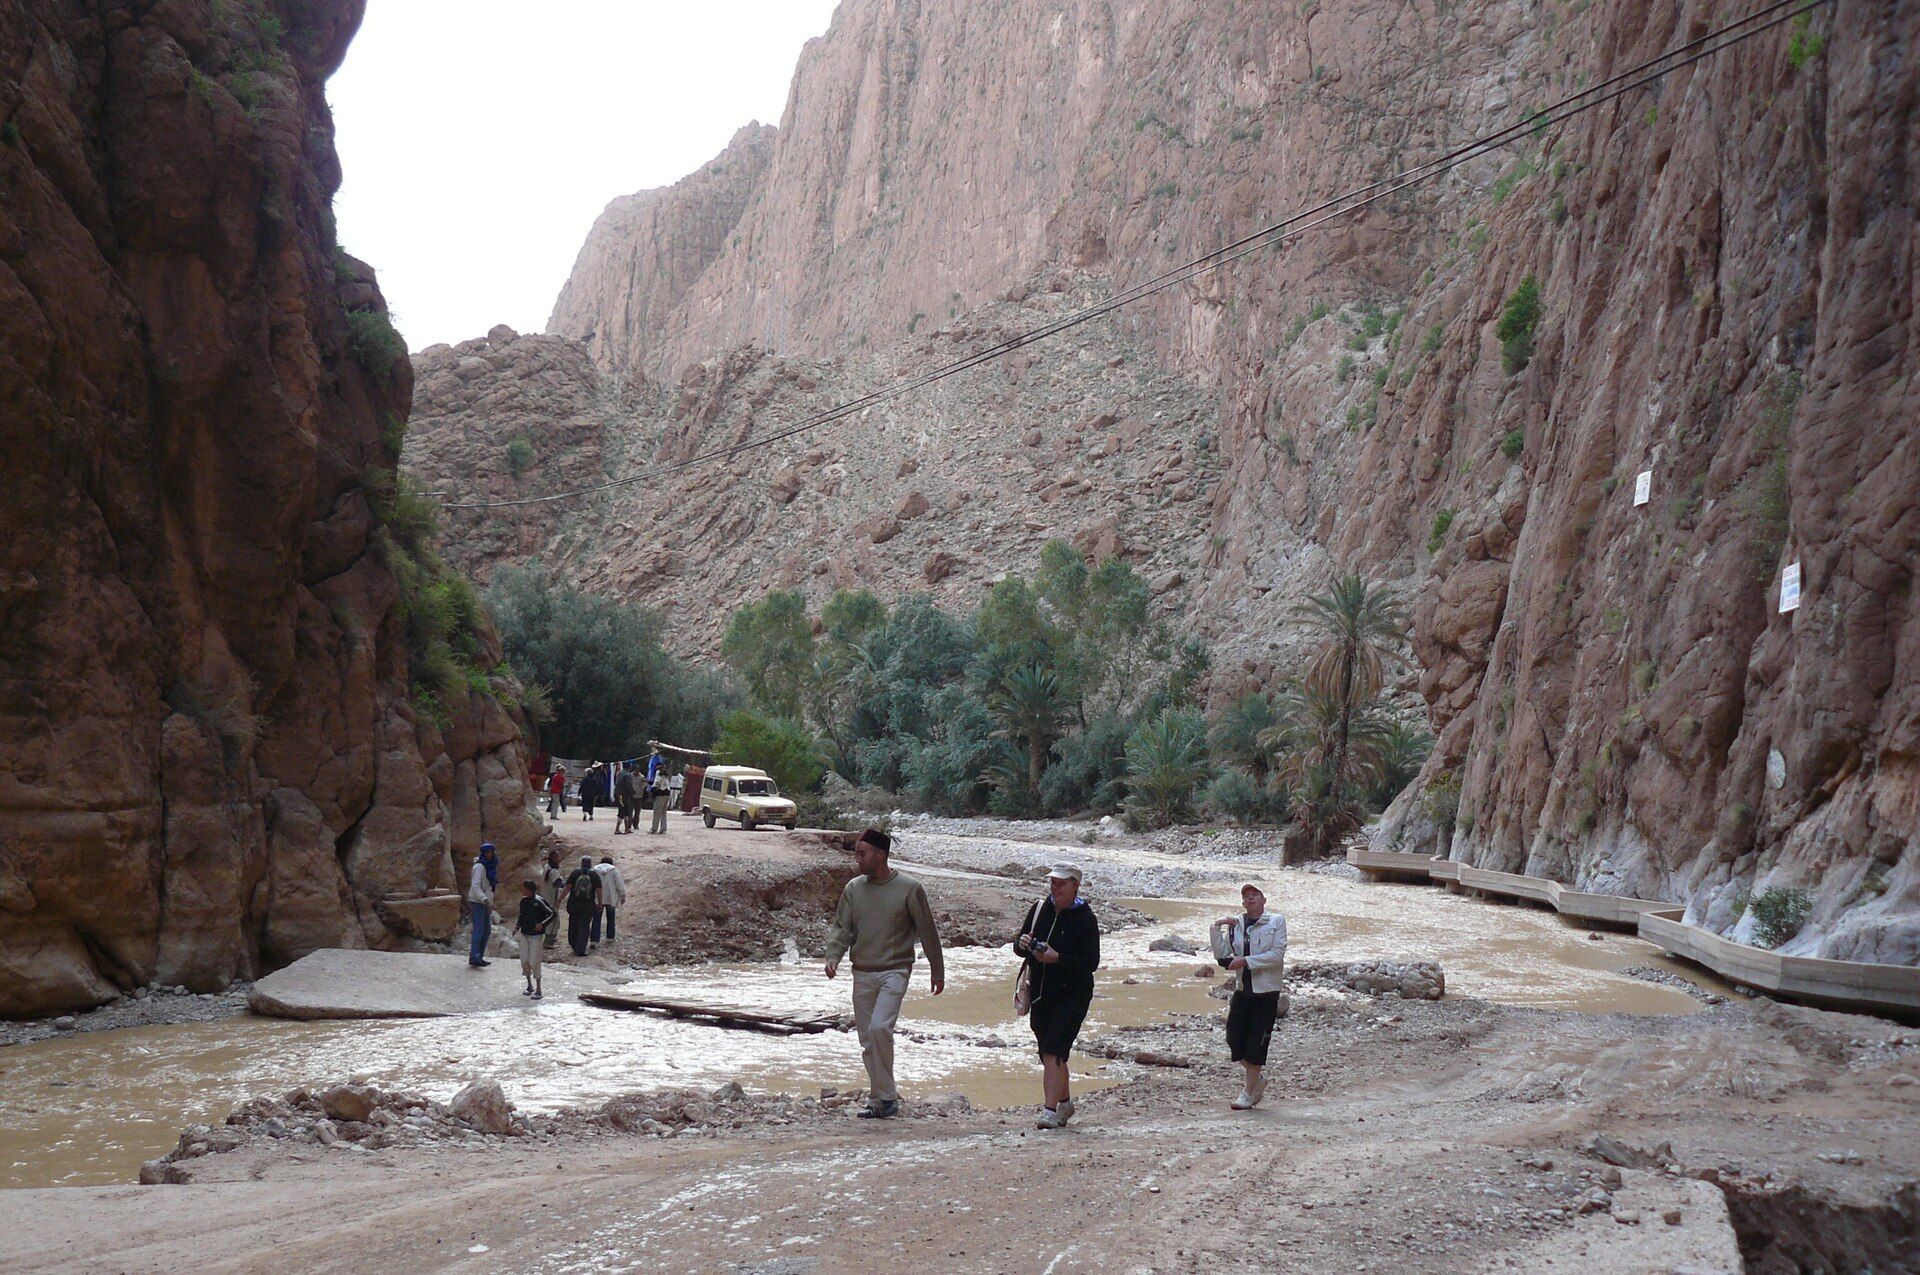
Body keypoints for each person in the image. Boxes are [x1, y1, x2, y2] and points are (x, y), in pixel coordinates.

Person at [823, 828, 944, 1119]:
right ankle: (881, 1099)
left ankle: (885, 1097)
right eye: (856, 854)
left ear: (881, 855)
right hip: (862, 971)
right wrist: (832, 956)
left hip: (895, 970)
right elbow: (842, 927)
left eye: (862, 854)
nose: (858, 860)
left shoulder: (909, 888)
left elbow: (927, 931)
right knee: (867, 1039)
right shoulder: (853, 888)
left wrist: (937, 970)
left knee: (880, 1029)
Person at [1014, 863, 1099, 1129]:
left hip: (1073, 995)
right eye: (1053, 882)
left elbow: (1091, 962)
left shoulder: (1086, 918)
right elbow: (1019, 946)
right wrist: (1024, 944)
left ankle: (1049, 1112)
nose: (1055, 887)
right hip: (1041, 993)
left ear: (1075, 885)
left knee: (1053, 1049)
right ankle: (1065, 1105)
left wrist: (1057, 958)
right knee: (1049, 1052)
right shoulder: (1040, 908)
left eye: (1061, 883)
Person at [1211, 883, 1288, 1110]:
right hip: (1243, 989)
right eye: (1246, 896)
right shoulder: (1236, 924)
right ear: (1242, 903)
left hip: (1267, 992)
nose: (1250, 899)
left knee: (1256, 1044)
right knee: (1233, 1039)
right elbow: (1222, 956)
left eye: (1255, 895)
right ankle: (1257, 1079)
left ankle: (1248, 1092)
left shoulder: (1276, 921)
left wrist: (1245, 961)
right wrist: (1217, 928)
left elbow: (1277, 955)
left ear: (1264, 900)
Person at [513, 879, 555, 998]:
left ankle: (538, 988)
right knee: (524, 959)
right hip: (525, 933)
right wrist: (517, 927)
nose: (522, 890)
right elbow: (522, 915)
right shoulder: (524, 902)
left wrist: (542, 924)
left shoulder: (539, 901)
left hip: (536, 936)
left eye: (524, 888)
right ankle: (529, 985)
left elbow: (552, 914)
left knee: (535, 961)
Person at [466, 842, 499, 968]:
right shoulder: (480, 867)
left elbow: (488, 887)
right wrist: (485, 900)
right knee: (479, 929)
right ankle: (475, 956)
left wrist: (489, 901)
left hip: (485, 902)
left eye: (491, 852)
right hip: (478, 902)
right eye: (487, 852)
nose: (489, 855)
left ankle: (478, 955)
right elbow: (475, 886)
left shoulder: (489, 867)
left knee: (486, 929)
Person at [565, 855, 601, 956]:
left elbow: (568, 887)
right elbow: (599, 890)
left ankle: (573, 944)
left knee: (573, 923)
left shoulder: (575, 873)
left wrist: (560, 899)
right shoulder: (594, 875)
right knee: (584, 926)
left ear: (581, 863)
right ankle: (580, 949)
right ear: (590, 864)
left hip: (574, 902)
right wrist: (600, 903)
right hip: (588, 905)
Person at [591, 856, 627, 945]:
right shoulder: (613, 870)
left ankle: (594, 940)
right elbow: (619, 883)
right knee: (611, 917)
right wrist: (623, 895)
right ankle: (610, 937)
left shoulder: (595, 870)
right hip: (611, 898)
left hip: (597, 898)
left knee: (596, 919)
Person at [541, 847, 566, 948]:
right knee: (553, 920)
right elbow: (558, 884)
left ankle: (549, 939)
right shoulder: (553, 872)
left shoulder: (547, 867)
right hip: (551, 898)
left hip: (545, 896)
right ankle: (548, 941)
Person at [614, 764, 638, 835]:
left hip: (618, 793)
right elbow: (629, 786)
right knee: (623, 811)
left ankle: (626, 829)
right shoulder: (628, 775)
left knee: (624, 810)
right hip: (623, 795)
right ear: (629, 768)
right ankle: (620, 829)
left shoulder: (619, 773)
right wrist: (633, 792)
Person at [649, 770, 672, 834]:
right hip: (667, 794)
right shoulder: (666, 778)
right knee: (663, 813)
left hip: (660, 795)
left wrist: (651, 792)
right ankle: (663, 828)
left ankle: (654, 829)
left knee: (657, 812)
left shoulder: (658, 777)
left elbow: (655, 785)